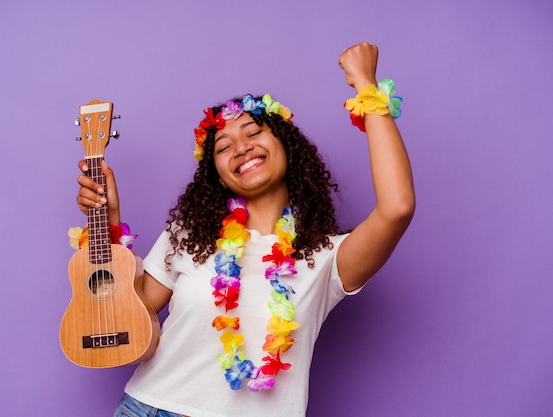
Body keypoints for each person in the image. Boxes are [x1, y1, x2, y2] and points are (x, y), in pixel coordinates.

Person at [75, 41, 415, 417]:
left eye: (253, 132)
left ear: (286, 145)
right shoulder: (189, 234)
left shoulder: (327, 257)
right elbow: (124, 322)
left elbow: (397, 209)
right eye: (223, 146)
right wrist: (108, 221)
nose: (241, 147)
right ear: (216, 174)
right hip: (151, 408)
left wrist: (365, 86)